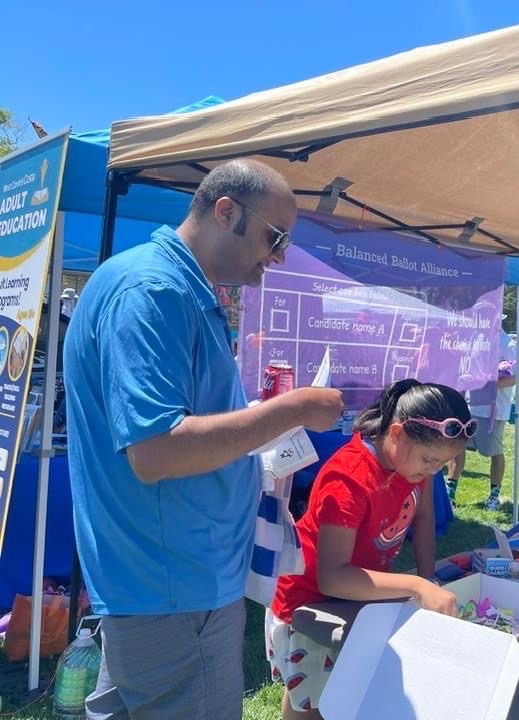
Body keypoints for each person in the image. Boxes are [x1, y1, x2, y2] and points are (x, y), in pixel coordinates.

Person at [64, 159, 344, 720]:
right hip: (175, 587)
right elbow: (157, 449)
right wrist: (291, 409)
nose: (280, 255)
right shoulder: (155, 291)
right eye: (276, 237)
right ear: (226, 211)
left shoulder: (172, 287)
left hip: (161, 581)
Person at [268, 379, 469, 718]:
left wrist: (428, 577)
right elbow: (333, 577)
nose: (433, 471)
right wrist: (416, 586)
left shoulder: (413, 462)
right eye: (430, 460)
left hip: (356, 595)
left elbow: (423, 515)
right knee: (312, 701)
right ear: (397, 434)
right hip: (308, 600)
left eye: (442, 464)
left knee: (345, 689)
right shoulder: (349, 478)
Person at [447, 327, 516, 510]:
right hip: (468, 405)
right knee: (457, 446)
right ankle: (450, 492)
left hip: (493, 409)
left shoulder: (507, 343)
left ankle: (494, 495)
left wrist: (484, 383)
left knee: (494, 451)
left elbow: (512, 378)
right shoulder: (474, 338)